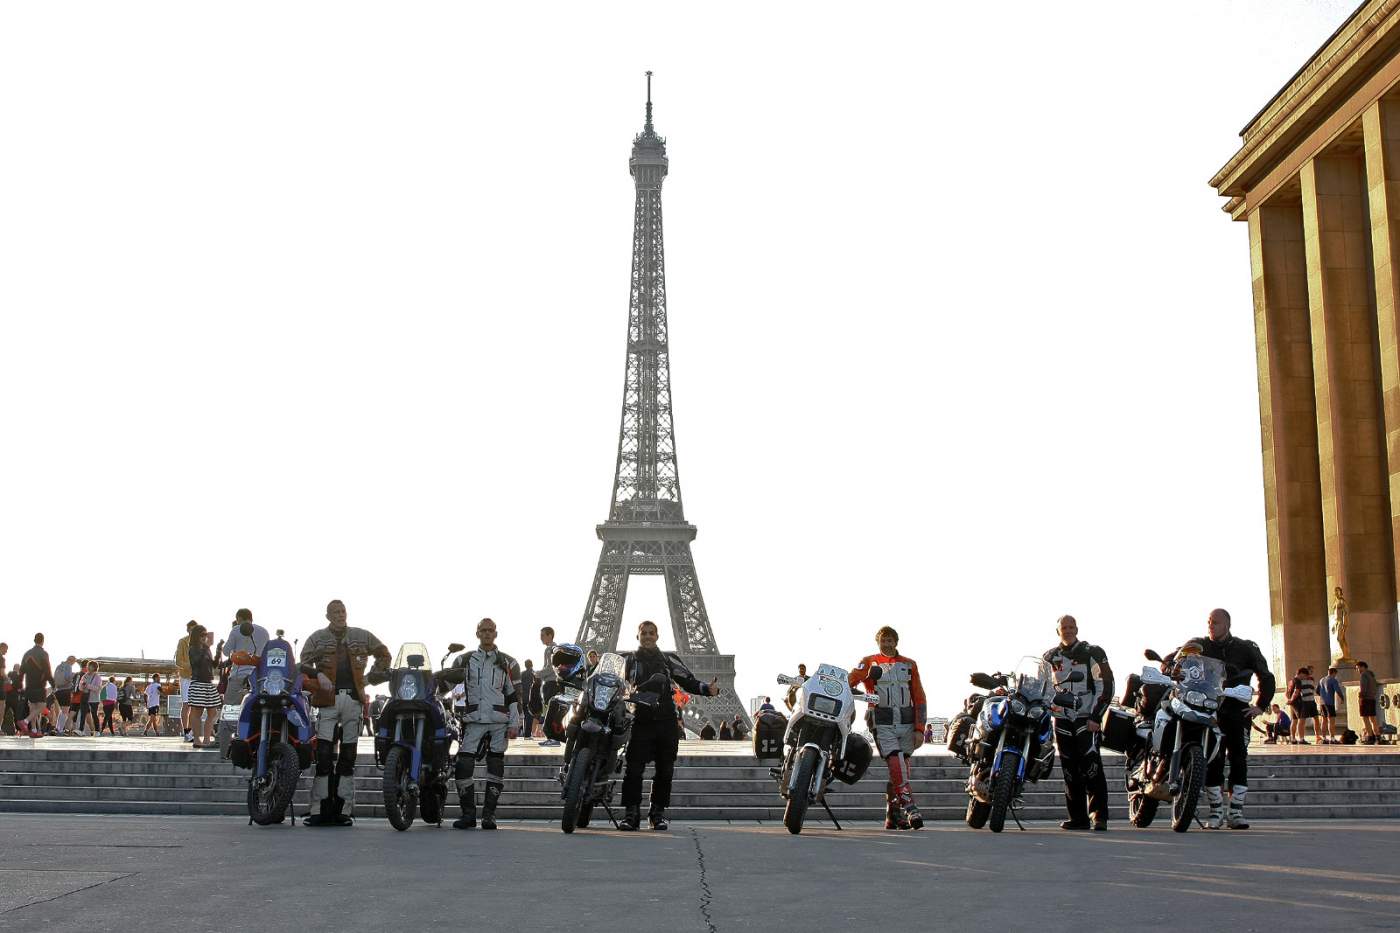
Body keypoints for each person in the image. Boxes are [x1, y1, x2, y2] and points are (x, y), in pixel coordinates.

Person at [1170, 608, 1274, 830]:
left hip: (1237, 711)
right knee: (1212, 759)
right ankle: (1216, 811)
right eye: (1209, 621)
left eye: (1215, 622)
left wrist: (1260, 706)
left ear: (1227, 624)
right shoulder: (1197, 645)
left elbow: (1266, 677)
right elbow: (1173, 661)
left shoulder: (1246, 648)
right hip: (1208, 710)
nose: (1211, 625)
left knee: (1238, 758)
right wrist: (1173, 669)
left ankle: (1236, 812)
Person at [297, 599, 391, 826]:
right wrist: (317, 675)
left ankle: (344, 810)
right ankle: (319, 809)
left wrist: (370, 679)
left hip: (353, 700)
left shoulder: (362, 635)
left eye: (343, 611)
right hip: (327, 701)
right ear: (328, 616)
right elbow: (302, 662)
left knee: (348, 756)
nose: (340, 615)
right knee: (324, 756)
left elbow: (384, 654)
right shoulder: (317, 637)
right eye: (335, 612)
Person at [619, 620, 719, 831]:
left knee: (665, 770)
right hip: (641, 720)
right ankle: (632, 813)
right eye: (643, 633)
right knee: (634, 769)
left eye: (651, 633)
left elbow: (687, 680)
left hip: (665, 720)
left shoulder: (667, 660)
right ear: (637, 636)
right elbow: (609, 677)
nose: (647, 636)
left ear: (657, 636)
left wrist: (705, 689)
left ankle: (657, 813)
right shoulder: (627, 660)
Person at [438, 618, 521, 830]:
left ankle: (489, 816)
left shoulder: (506, 662)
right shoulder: (465, 660)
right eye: (483, 630)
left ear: (496, 633)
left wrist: (515, 723)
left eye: (490, 630)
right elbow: (445, 685)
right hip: (473, 720)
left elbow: (512, 695)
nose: (486, 634)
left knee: (495, 767)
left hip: (498, 722)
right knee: (463, 766)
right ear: (477, 634)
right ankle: (468, 815)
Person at [851, 626, 927, 830]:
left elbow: (919, 697)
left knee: (903, 768)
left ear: (896, 642)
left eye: (890, 640)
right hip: (881, 720)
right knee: (894, 762)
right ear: (878, 642)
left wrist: (920, 728)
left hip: (907, 722)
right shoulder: (868, 662)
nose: (887, 644)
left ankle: (893, 816)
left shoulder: (910, 664)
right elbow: (850, 680)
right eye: (883, 640)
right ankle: (910, 808)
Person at [1043, 614, 1114, 831]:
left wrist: (1096, 716)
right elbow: (1042, 688)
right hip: (1062, 719)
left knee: (1091, 766)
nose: (1068, 630)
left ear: (1077, 628)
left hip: (1086, 718)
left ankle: (1099, 816)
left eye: (1071, 626)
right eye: (1064, 627)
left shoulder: (1092, 652)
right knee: (1069, 769)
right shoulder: (1049, 657)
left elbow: (1106, 685)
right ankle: (1078, 818)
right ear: (1058, 631)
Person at [220, 609, 269, 715]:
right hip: (259, 678)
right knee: (255, 712)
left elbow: (226, 651)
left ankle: (230, 731)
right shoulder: (264, 631)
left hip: (239, 676)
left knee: (230, 711)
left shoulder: (236, 629)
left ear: (239, 618)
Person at [185, 625, 222, 748]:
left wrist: (218, 650)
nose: (204, 637)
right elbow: (196, 663)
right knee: (197, 712)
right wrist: (207, 647)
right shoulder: (193, 648)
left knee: (213, 712)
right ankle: (196, 739)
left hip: (208, 683)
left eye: (205, 634)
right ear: (196, 635)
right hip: (198, 682)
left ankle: (206, 739)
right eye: (202, 634)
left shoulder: (206, 649)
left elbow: (214, 665)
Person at [20, 633, 53, 737]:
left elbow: (21, 670)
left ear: (34, 640)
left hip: (29, 683)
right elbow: (47, 670)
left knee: (33, 707)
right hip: (39, 684)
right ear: (42, 641)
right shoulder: (43, 654)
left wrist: (20, 684)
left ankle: (34, 730)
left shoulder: (27, 653)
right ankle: (25, 721)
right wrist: (53, 683)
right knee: (42, 705)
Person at [174, 620, 197, 741]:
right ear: (188, 630)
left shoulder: (201, 643)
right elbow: (178, 661)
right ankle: (186, 732)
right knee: (187, 704)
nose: (193, 632)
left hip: (198, 678)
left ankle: (192, 732)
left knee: (196, 706)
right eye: (191, 630)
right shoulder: (182, 642)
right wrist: (189, 665)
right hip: (186, 677)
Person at [538, 626, 561, 746]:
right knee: (550, 710)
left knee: (550, 711)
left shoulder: (551, 649)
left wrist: (538, 674)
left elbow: (551, 667)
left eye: (542, 635)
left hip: (551, 683)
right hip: (552, 683)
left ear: (550, 635)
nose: (540, 638)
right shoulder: (552, 648)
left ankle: (553, 738)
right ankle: (552, 737)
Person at [1286, 665, 1319, 744]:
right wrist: (1292, 699)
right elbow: (1297, 691)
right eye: (1305, 675)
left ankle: (1293, 739)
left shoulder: (1291, 681)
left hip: (1293, 704)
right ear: (1301, 673)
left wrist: (1289, 700)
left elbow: (1286, 692)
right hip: (1299, 703)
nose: (1305, 677)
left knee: (1294, 720)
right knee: (1302, 720)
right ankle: (1301, 739)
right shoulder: (1297, 680)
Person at [1317, 667, 1344, 744]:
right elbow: (1337, 690)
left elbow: (1317, 690)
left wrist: (1323, 695)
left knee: (1324, 720)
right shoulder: (1333, 680)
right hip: (1330, 703)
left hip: (1322, 702)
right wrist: (1342, 698)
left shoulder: (1321, 680)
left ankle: (1324, 738)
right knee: (1331, 721)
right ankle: (1332, 738)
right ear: (1334, 673)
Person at [51, 655, 76, 734]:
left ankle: (57, 728)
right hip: (65, 690)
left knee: (62, 710)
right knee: (65, 710)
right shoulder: (68, 666)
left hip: (58, 690)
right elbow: (67, 677)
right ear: (72, 661)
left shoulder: (59, 666)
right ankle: (60, 729)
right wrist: (73, 675)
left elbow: (54, 678)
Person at [1357, 661, 1380, 743]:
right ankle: (1377, 736)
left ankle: (1370, 737)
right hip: (1372, 699)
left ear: (1363, 667)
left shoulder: (1364, 675)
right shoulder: (1372, 675)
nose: (1358, 670)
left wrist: (1360, 698)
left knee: (1365, 719)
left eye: (1358, 668)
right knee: (1373, 719)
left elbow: (1363, 688)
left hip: (1365, 699)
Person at [519, 659, 539, 738]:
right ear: (532, 665)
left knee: (524, 715)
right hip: (531, 698)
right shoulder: (535, 674)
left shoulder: (521, 674)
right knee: (529, 716)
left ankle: (525, 733)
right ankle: (527, 734)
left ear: (525, 665)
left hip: (523, 697)